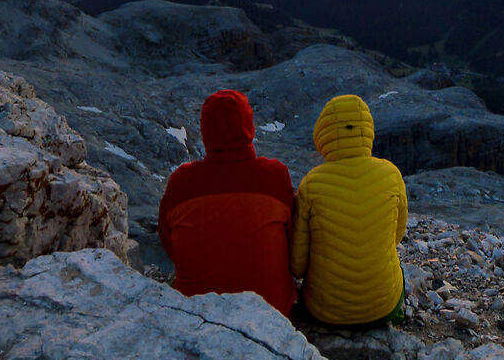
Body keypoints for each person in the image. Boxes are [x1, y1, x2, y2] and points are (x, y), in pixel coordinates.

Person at [157, 88, 296, 312]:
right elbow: (291, 238)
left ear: (205, 131)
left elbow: (167, 238)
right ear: (249, 126)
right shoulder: (275, 176)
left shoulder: (181, 182)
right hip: (271, 312)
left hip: (196, 312)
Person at [289, 92, 408, 327]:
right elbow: (396, 236)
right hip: (382, 307)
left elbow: (297, 266)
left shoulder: (311, 184)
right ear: (368, 131)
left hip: (325, 313)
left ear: (323, 134)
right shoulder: (391, 174)